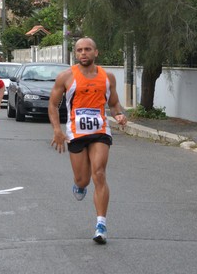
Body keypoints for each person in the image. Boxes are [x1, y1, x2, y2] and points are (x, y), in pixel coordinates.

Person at [48, 37, 127, 245]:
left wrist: (118, 114)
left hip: (100, 130)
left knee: (99, 173)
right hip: (76, 132)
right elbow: (53, 104)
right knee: (83, 179)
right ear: (76, 54)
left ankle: (101, 224)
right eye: (80, 50)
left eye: (88, 49)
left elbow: (114, 103)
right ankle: (80, 185)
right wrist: (57, 130)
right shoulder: (66, 77)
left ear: (96, 52)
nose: (84, 53)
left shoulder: (107, 77)